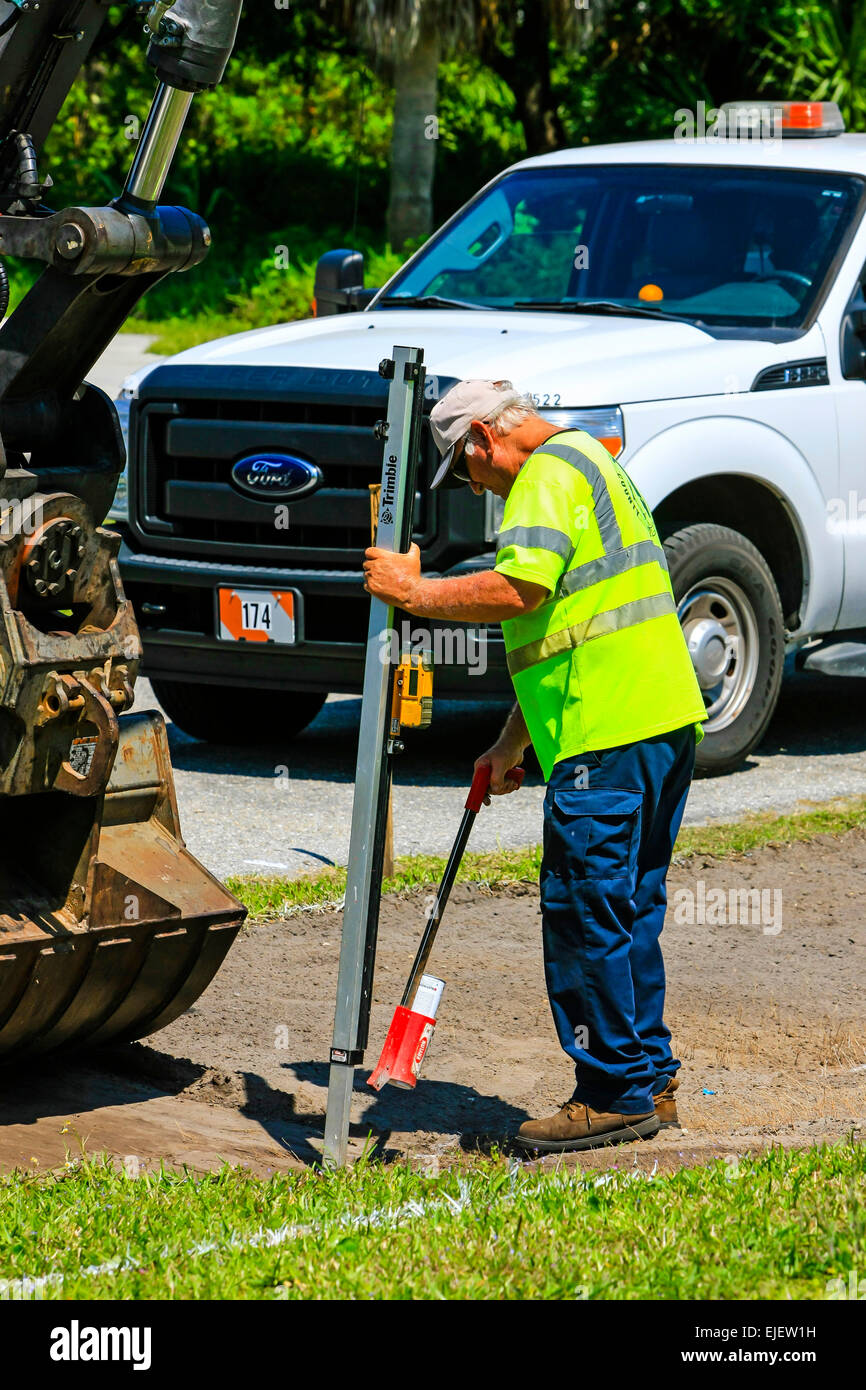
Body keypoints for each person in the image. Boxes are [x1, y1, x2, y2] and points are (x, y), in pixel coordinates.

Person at [362, 379, 707, 1152]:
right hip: (657, 724)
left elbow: (521, 590)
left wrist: (413, 592)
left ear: (482, 439)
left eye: (468, 469)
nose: (476, 485)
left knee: (586, 914)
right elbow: (571, 621)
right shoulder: (593, 461)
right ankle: (649, 1079)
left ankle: (612, 1093)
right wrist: (511, 744)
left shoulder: (543, 478)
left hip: (605, 730)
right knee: (627, 910)